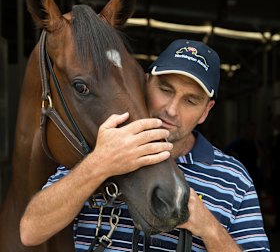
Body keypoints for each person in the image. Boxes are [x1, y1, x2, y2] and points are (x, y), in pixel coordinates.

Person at [20, 39, 270, 251]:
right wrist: (99, 165)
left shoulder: (234, 177)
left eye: (190, 101)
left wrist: (208, 227)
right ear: (144, 83)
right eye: (165, 89)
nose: (171, 110)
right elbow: (30, 231)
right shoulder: (103, 148)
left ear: (206, 111)